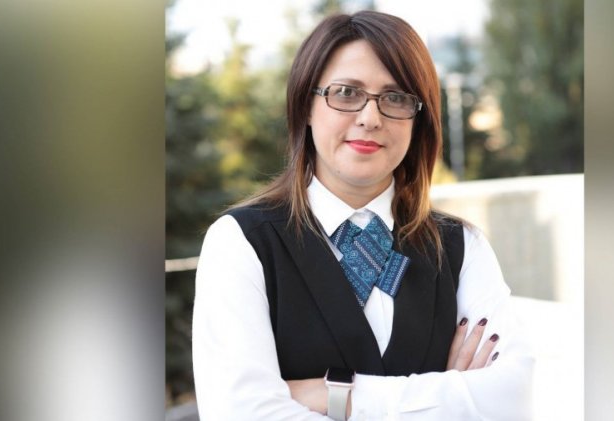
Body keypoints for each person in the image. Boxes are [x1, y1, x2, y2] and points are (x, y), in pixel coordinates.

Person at [192, 10, 534, 420]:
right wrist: (449, 398)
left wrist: (337, 397)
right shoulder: (241, 243)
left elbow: (512, 400)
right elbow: (241, 413)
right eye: (346, 93)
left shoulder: (461, 247)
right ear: (306, 105)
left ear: (418, 118)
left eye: (396, 98)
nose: (370, 118)